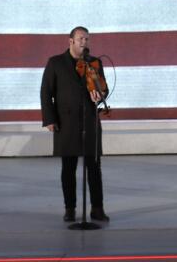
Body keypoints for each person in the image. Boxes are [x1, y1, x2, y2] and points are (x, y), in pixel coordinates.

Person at [40, 26, 109, 222]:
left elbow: (103, 87)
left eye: (87, 39)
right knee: (68, 168)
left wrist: (100, 94)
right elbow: (46, 92)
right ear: (70, 41)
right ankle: (69, 209)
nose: (84, 42)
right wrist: (50, 119)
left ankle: (97, 208)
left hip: (89, 120)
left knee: (94, 168)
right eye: (80, 39)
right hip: (66, 123)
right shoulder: (56, 63)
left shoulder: (94, 63)